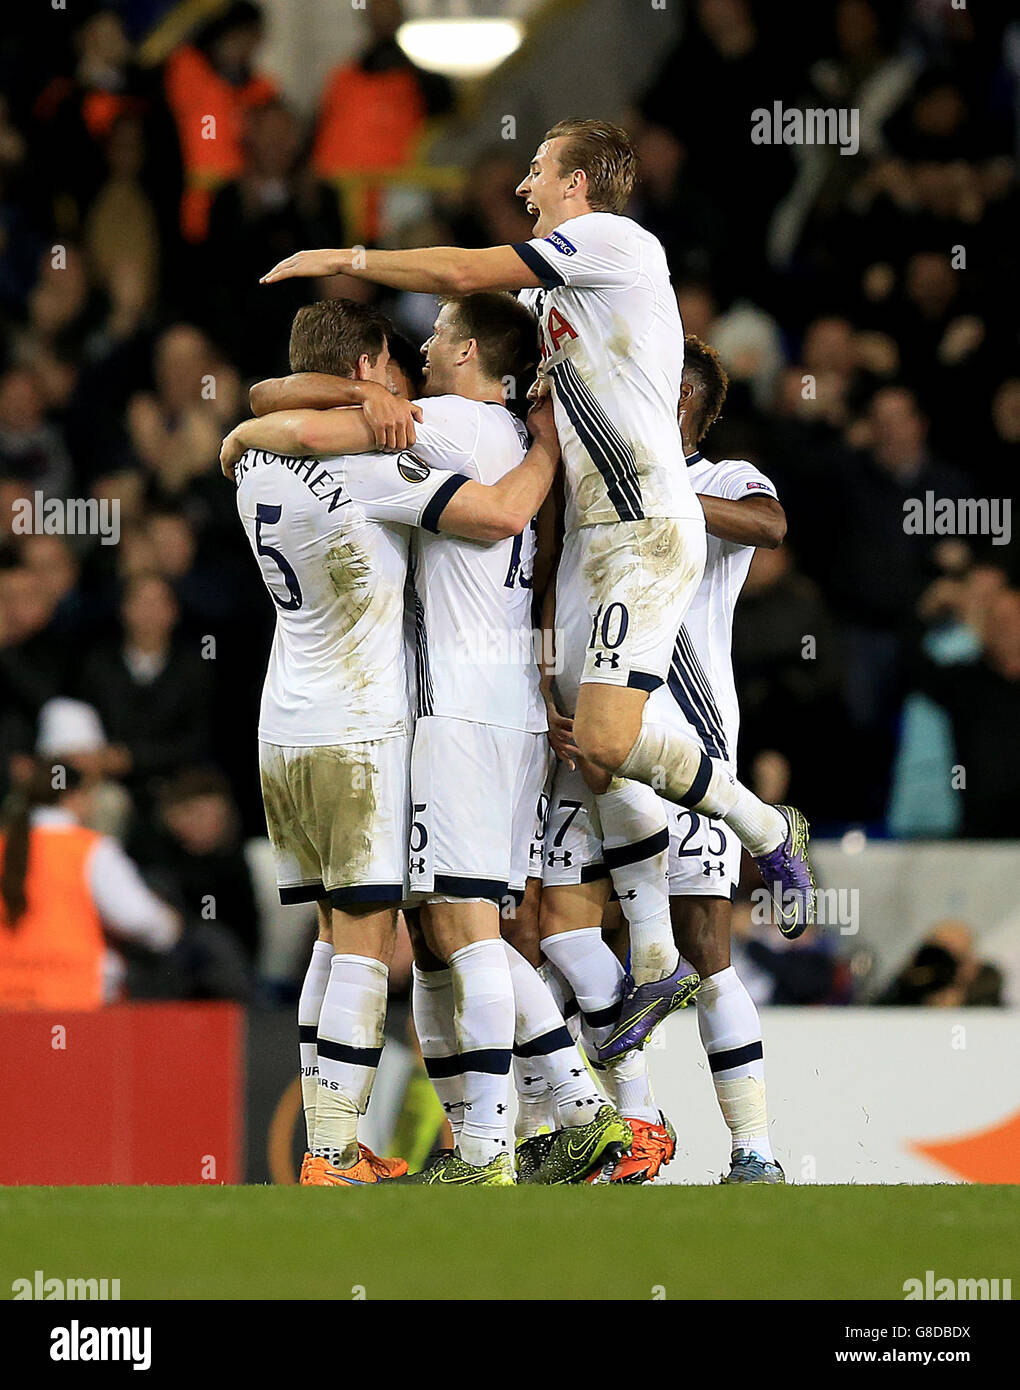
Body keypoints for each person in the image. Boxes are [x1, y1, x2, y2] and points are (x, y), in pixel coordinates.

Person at [258, 118, 816, 1067]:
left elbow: (465, 277)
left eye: (538, 169)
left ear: (581, 182)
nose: (524, 182)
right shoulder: (551, 308)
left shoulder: (616, 242)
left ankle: (761, 826)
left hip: (643, 521)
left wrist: (351, 257)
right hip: (587, 542)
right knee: (589, 745)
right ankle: (641, 969)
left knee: (599, 742)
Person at [225, 294, 630, 1185]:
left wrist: (245, 430)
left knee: (391, 933)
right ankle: (507, 1128)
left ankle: (494, 1142)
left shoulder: (266, 460)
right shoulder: (402, 450)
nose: (417, 363)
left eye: (438, 338)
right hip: (405, 722)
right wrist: (550, 450)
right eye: (397, 361)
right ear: (368, 369)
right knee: (428, 931)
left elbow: (260, 415)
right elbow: (499, 515)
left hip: (302, 726)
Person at [0, 758, 180, 1011]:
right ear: (75, 796)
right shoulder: (90, 849)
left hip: (7, 1006)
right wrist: (170, 926)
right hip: (74, 1000)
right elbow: (138, 918)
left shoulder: (4, 846)